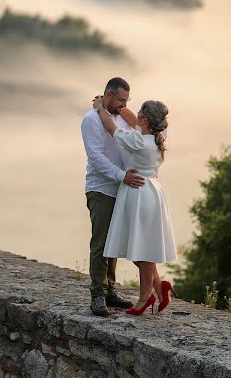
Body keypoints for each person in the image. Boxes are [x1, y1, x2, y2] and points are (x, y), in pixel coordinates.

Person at [93, 95, 177, 315]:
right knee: (141, 248)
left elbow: (113, 129)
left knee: (142, 251)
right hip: (152, 190)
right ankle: (159, 286)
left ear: (145, 120)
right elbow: (133, 121)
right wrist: (122, 108)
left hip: (138, 193)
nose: (135, 115)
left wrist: (101, 108)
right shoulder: (159, 137)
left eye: (140, 113)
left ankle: (145, 298)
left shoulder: (139, 141)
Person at [81, 77, 145, 317]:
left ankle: (110, 292)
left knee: (113, 241)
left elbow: (138, 125)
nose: (124, 105)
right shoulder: (90, 120)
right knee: (100, 242)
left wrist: (122, 107)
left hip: (120, 187)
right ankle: (97, 295)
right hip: (101, 188)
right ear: (108, 95)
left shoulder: (119, 116)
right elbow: (95, 157)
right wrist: (122, 176)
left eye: (127, 100)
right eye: (121, 100)